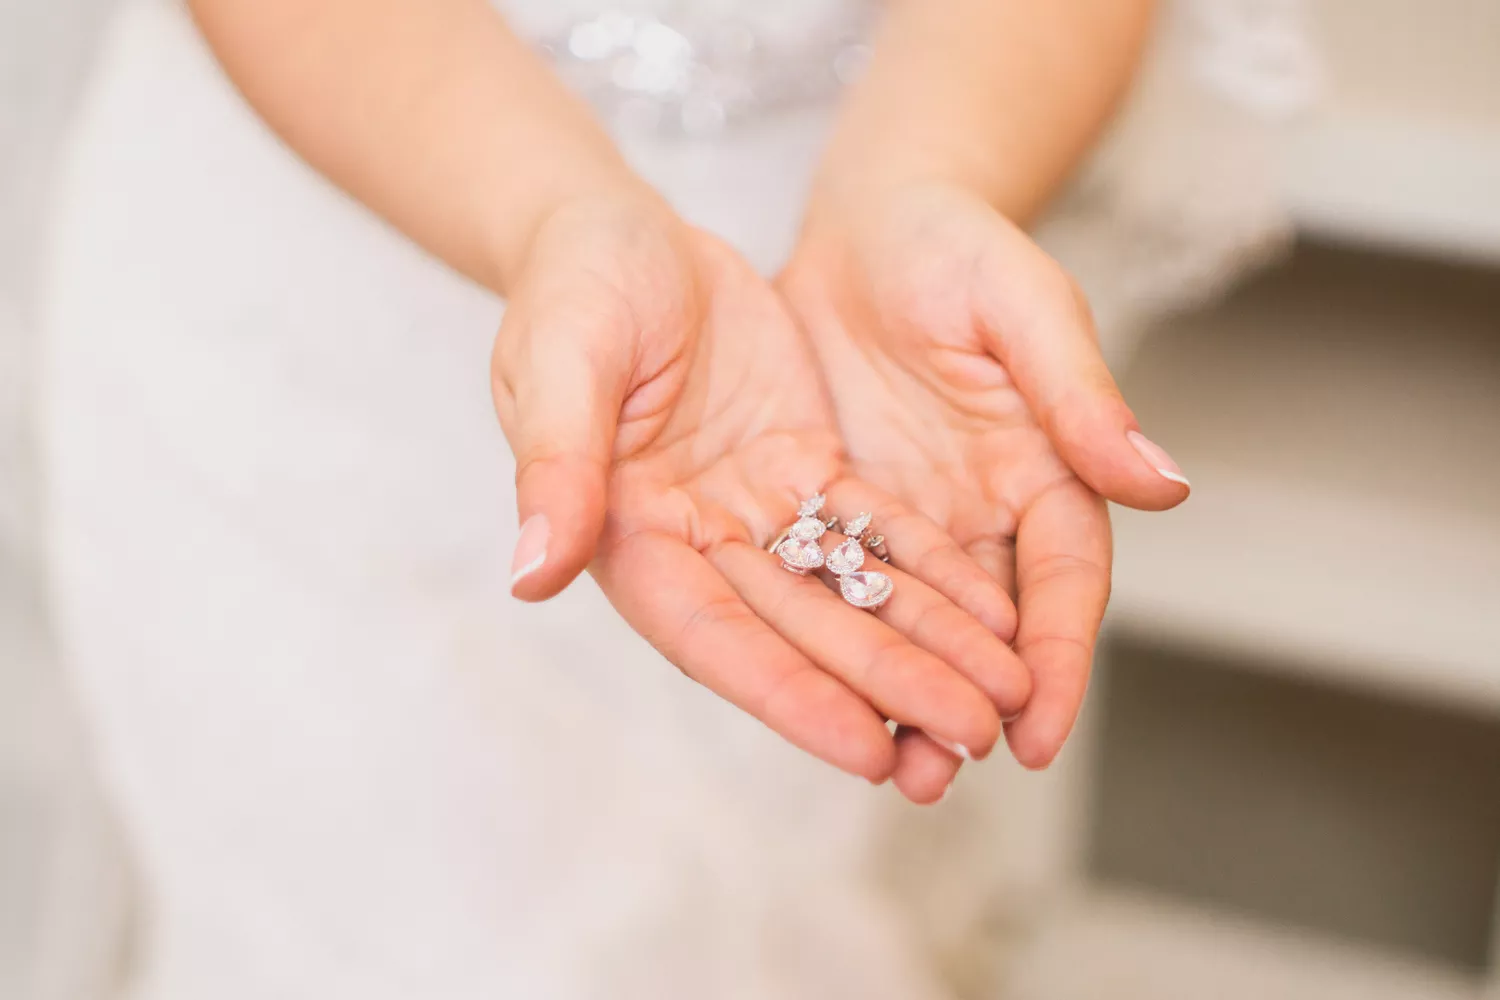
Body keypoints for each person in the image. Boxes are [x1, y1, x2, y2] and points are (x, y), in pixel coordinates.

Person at [36, 0, 1314, 995]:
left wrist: (923, 177)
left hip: (856, 294)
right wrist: (555, 215)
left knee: (772, 899)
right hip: (319, 260)